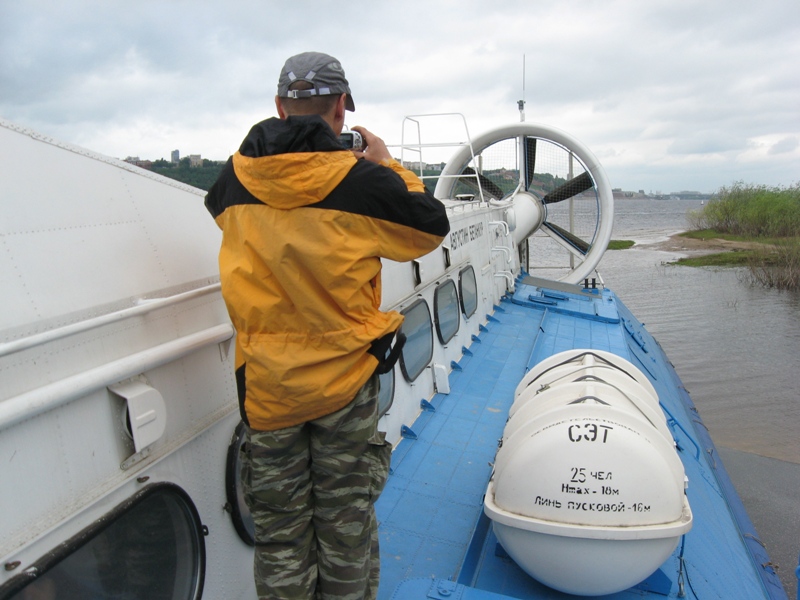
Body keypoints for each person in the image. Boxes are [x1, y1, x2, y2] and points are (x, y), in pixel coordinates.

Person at [204, 52, 450, 600]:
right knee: (344, 531)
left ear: (279, 107)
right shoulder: (362, 182)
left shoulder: (233, 179)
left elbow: (219, 212)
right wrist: (386, 165)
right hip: (344, 383)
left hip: (267, 386)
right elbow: (429, 228)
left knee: (279, 535)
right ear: (341, 108)